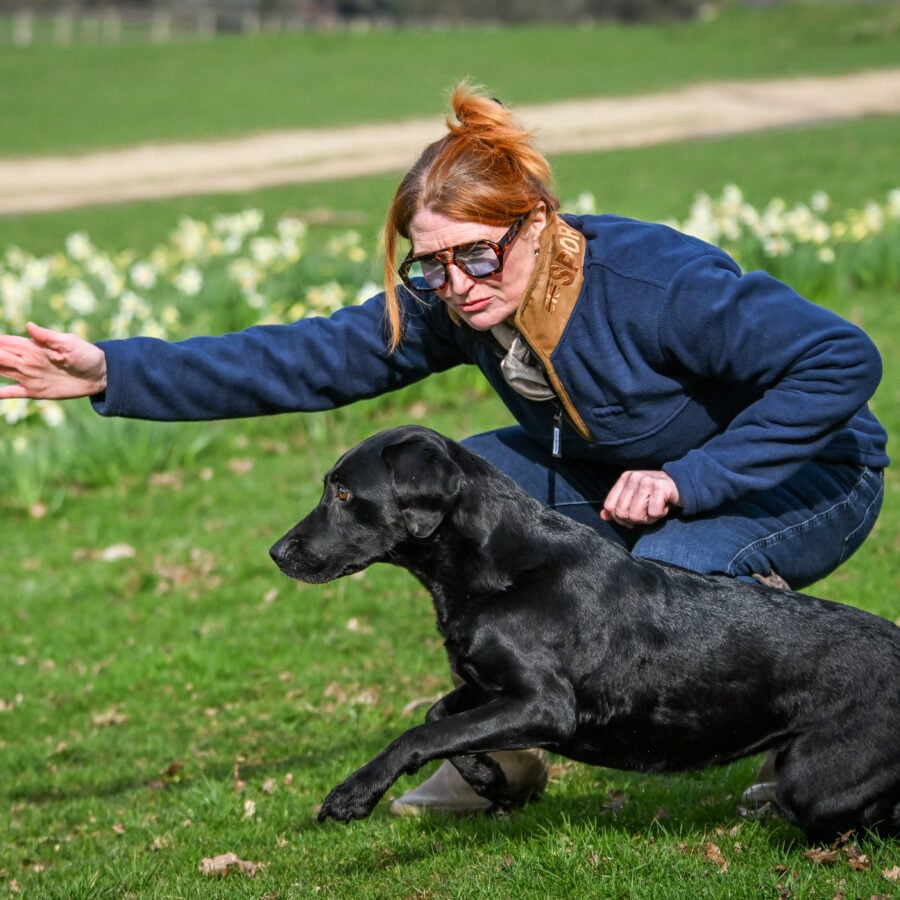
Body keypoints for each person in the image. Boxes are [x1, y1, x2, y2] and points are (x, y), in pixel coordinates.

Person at [0, 83, 888, 818]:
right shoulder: (455, 297)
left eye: (476, 256)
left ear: (536, 223)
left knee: (669, 575)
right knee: (468, 502)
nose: (455, 286)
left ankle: (796, 721)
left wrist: (694, 478)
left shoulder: (655, 283)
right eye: (431, 264)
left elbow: (841, 359)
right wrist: (114, 370)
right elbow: (304, 359)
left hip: (808, 471)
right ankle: (500, 755)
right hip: (621, 473)